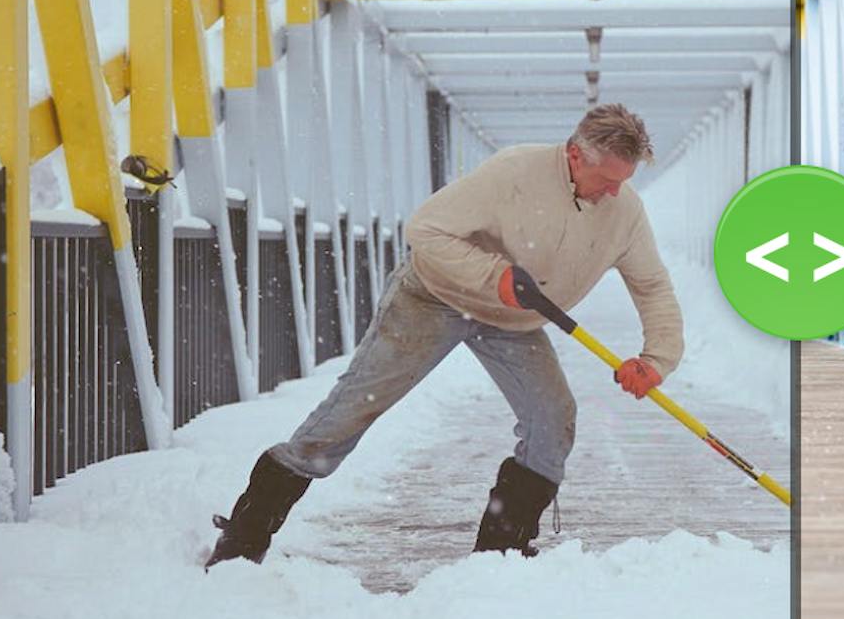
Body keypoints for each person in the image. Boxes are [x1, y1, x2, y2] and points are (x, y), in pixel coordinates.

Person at [206, 103, 684, 568]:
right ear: (575, 155)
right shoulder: (514, 172)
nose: (614, 194)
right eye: (607, 181)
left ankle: (501, 555)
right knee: (349, 414)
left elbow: (651, 284)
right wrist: (493, 275)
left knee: (553, 420)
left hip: (512, 320)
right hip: (434, 296)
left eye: (625, 182)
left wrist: (655, 359)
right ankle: (244, 538)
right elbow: (425, 230)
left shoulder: (624, 210)